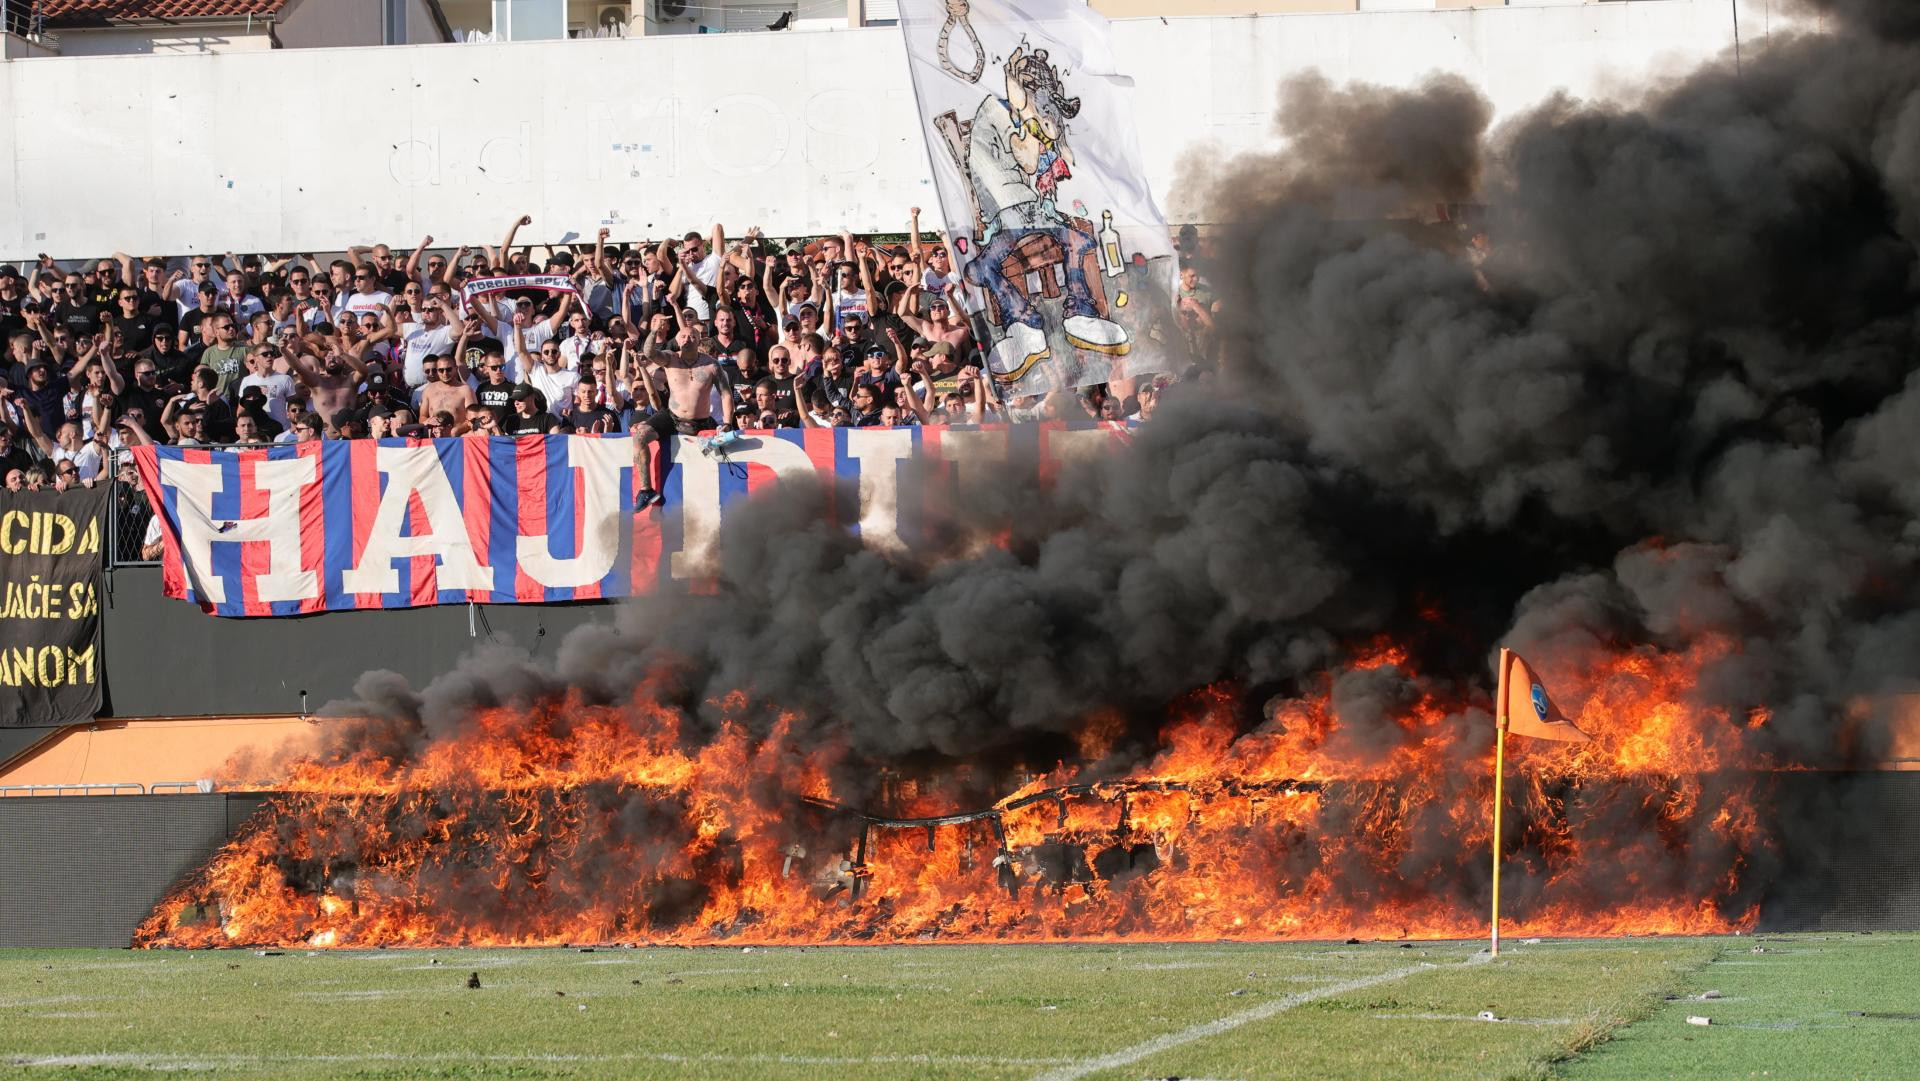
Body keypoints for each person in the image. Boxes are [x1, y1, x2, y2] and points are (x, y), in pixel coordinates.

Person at [631, 318, 731, 508]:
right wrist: (653, 331)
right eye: (683, 336)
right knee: (640, 436)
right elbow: (649, 352)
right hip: (671, 416)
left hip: (700, 421)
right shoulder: (670, 358)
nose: (687, 339)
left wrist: (726, 422)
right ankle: (646, 490)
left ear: (699, 341)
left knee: (718, 451)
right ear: (677, 341)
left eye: (692, 336)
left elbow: (726, 395)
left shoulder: (711, 365)